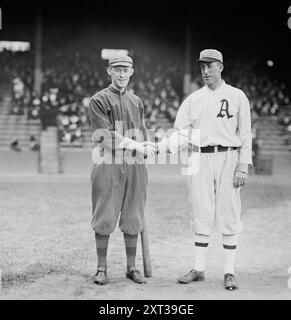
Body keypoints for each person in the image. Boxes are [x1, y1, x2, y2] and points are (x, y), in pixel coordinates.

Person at [155, 49, 252, 290]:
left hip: (229, 156)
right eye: (202, 67)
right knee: (200, 210)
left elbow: (245, 133)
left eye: (209, 66)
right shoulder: (193, 99)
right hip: (199, 157)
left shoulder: (237, 96)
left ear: (220, 66)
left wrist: (243, 165)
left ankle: (229, 271)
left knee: (229, 211)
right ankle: (199, 269)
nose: (205, 71)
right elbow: (180, 134)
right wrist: (158, 148)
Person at [88, 54, 156, 286]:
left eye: (125, 69)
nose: (121, 73)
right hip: (108, 163)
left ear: (132, 72)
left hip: (135, 165)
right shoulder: (98, 100)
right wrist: (135, 144)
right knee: (104, 215)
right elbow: (104, 136)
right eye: (116, 69)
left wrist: (146, 148)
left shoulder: (137, 101)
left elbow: (143, 133)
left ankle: (131, 267)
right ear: (109, 71)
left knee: (133, 216)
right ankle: (101, 268)